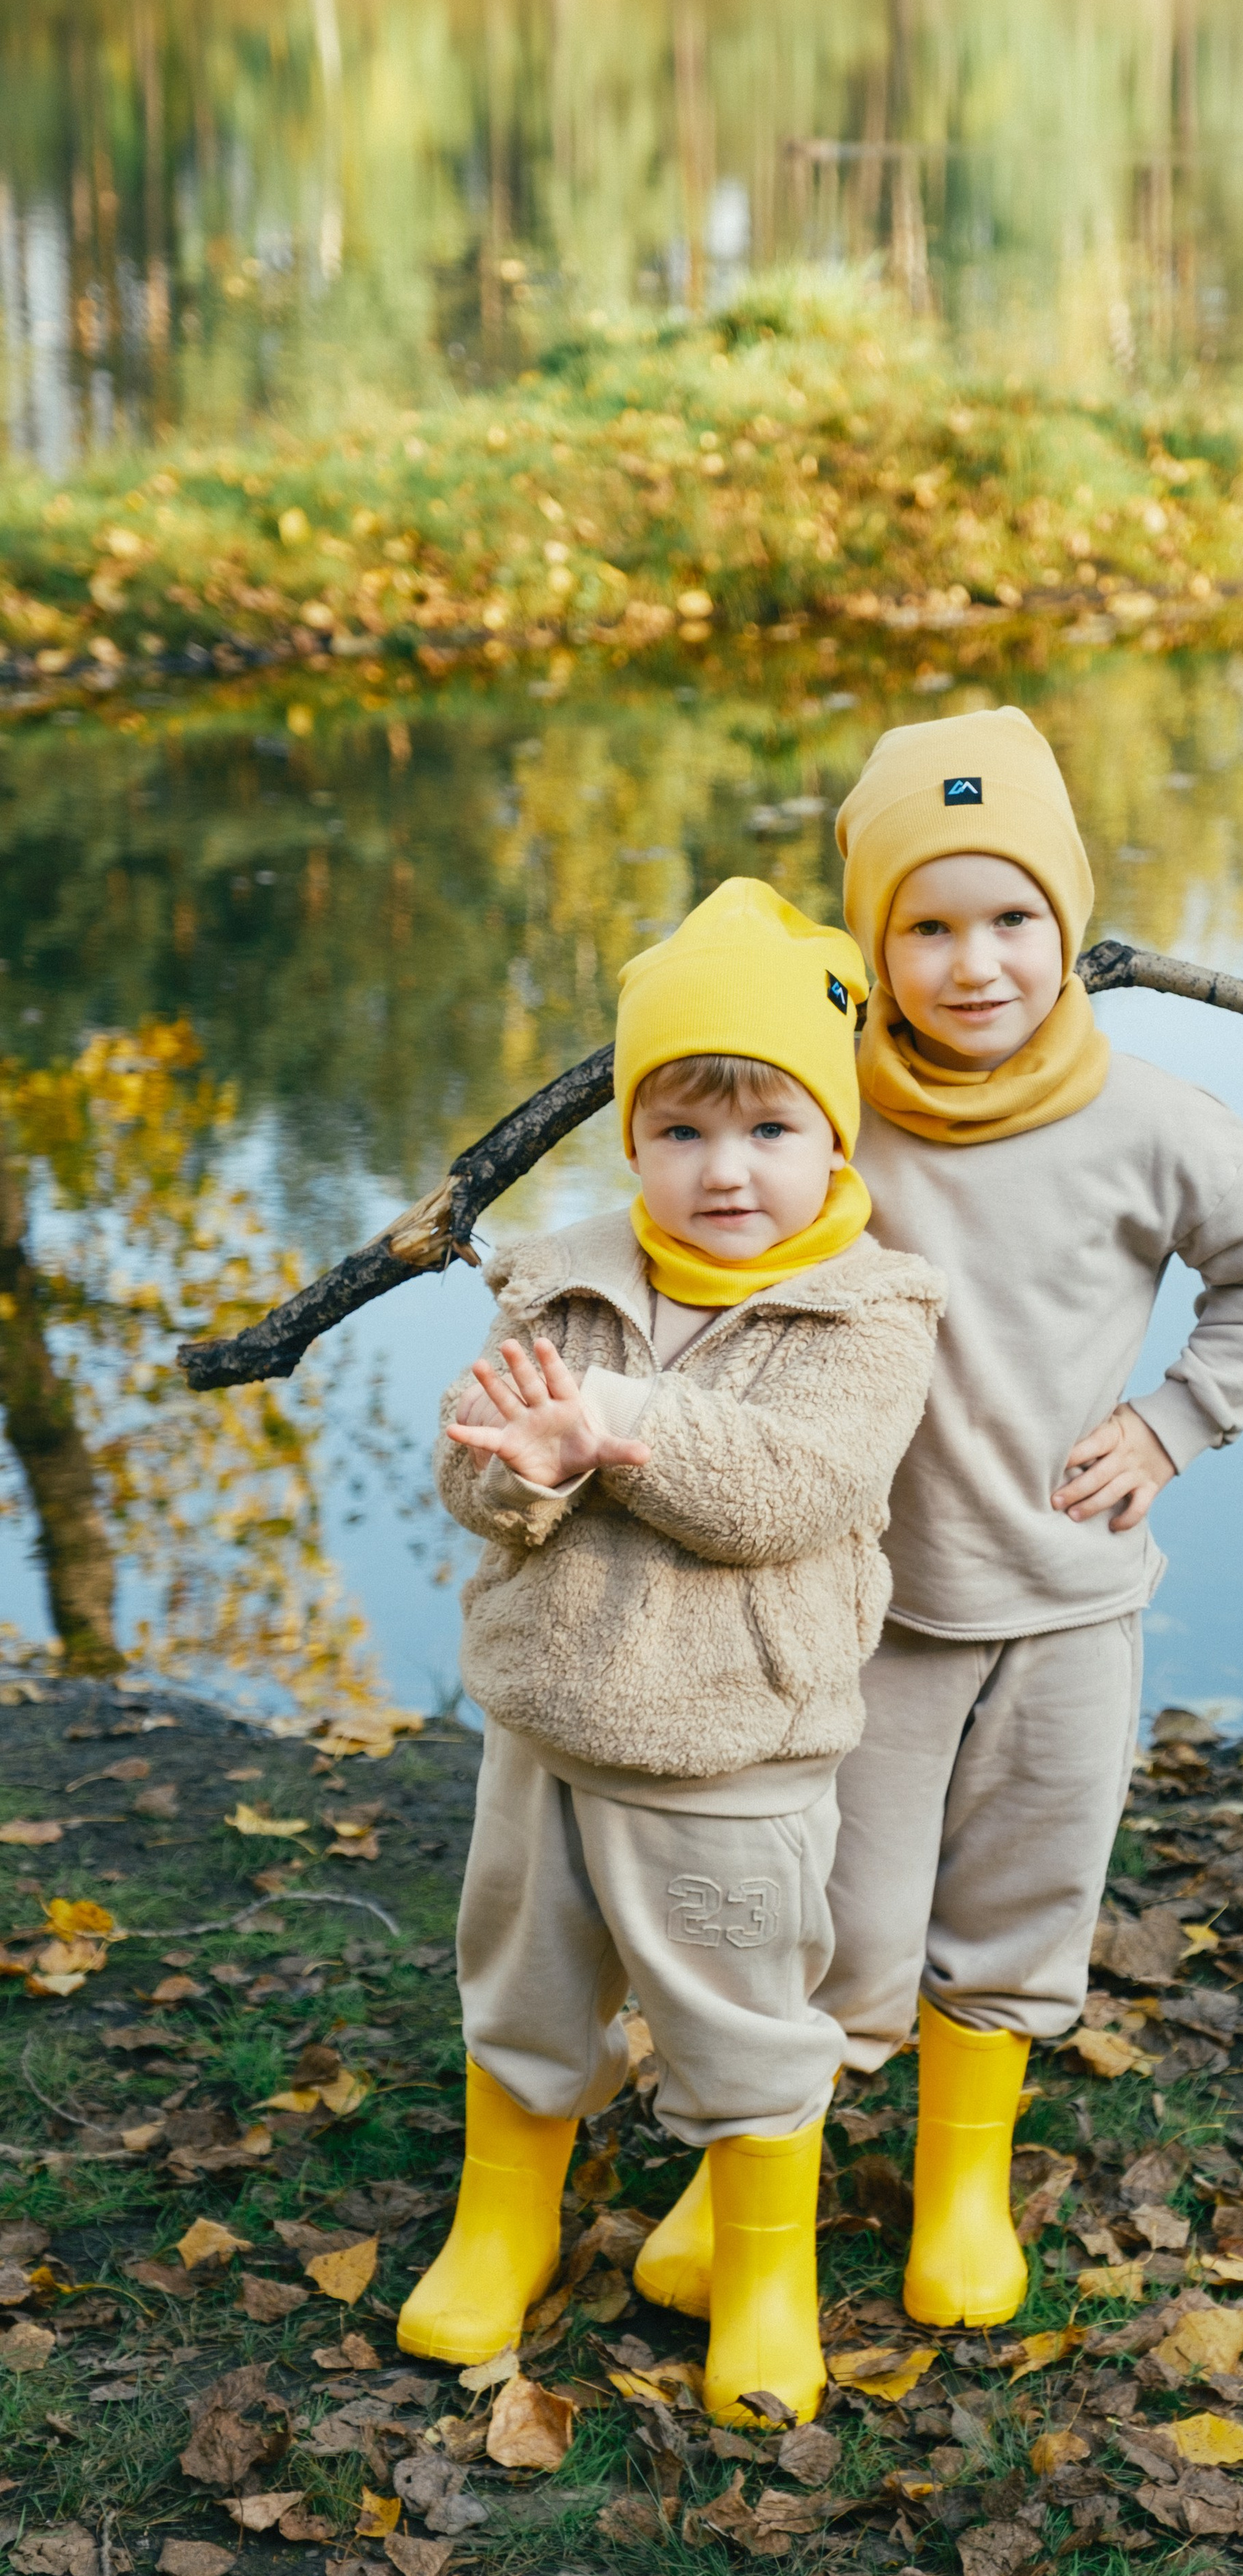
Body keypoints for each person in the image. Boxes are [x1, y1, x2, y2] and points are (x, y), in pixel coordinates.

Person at [639, 707, 1243, 2336]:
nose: (973, 964)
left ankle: (958, 2189)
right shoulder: (820, 1115)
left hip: (1068, 1594)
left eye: (1011, 918)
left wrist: (1175, 1417)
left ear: (1067, 924)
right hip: (856, 1607)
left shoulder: (1146, 1121)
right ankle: (751, 2155)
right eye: (926, 928)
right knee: (833, 1919)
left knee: (1021, 1897)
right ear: (874, 947)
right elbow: (697, 1229)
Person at [397, 878, 943, 2425]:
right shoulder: (559, 1280)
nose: (725, 1171)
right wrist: (524, 1468)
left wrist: (621, 1427)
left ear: (833, 1139)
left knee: (742, 2017)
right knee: (523, 1982)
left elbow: (797, 1494)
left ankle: (759, 2278)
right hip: (546, 1724)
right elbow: (473, 1476)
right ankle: (501, 2221)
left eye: (769, 1130)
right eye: (682, 1131)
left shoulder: (870, 1312)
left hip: (734, 1744)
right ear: (630, 1139)